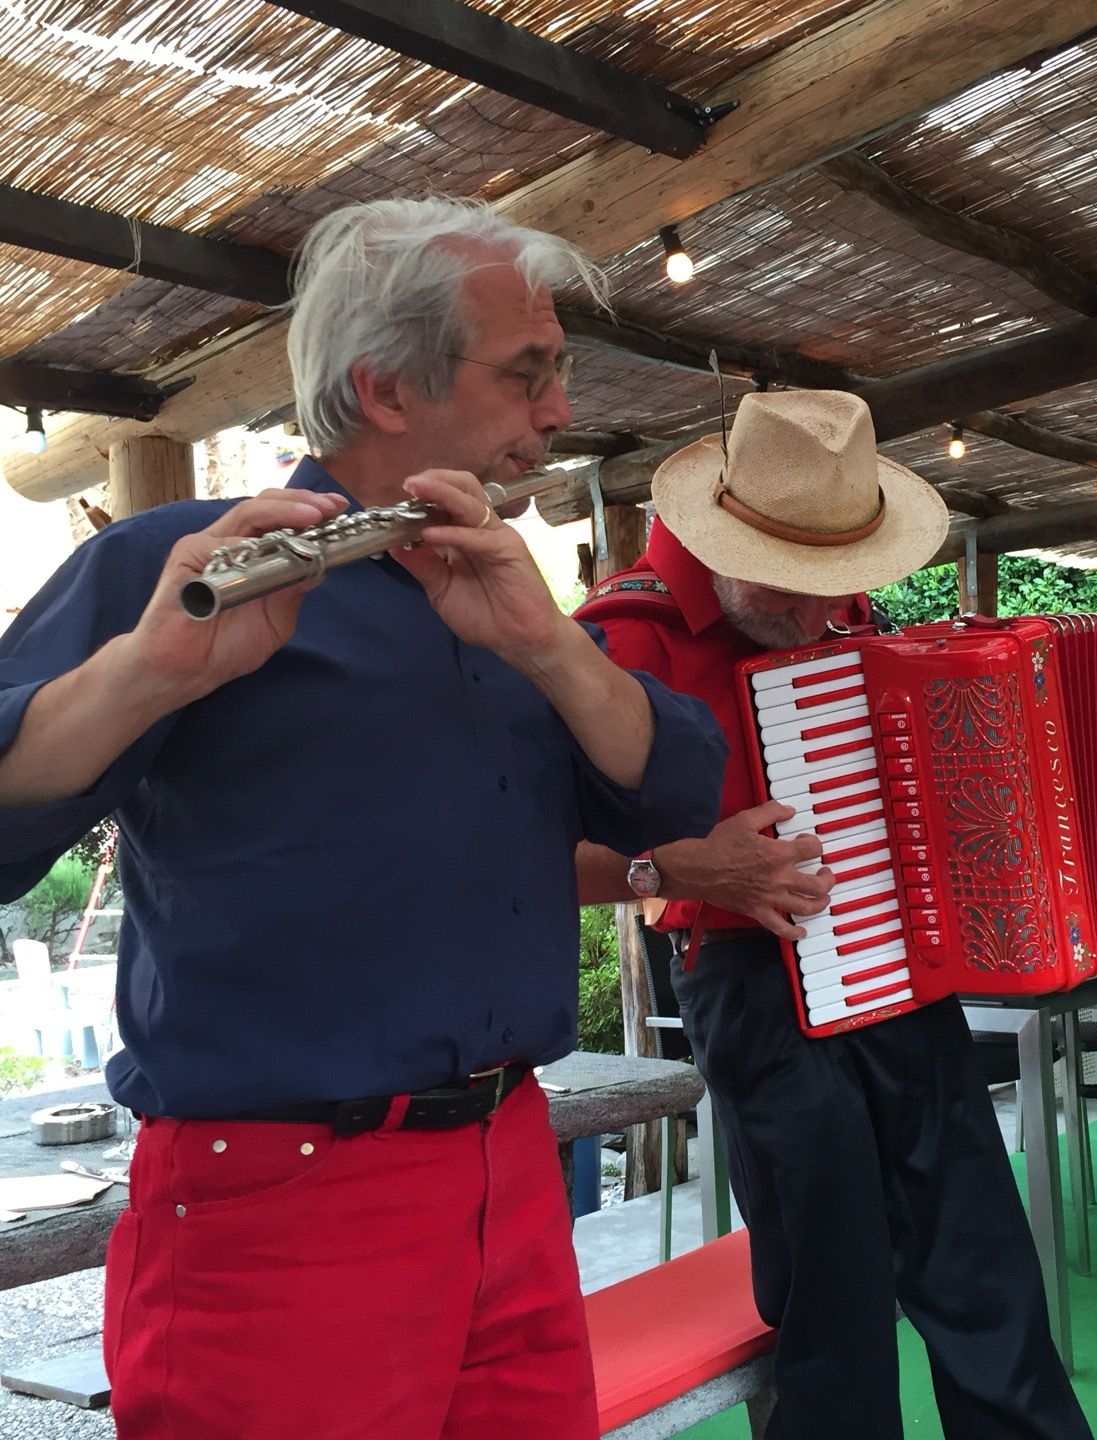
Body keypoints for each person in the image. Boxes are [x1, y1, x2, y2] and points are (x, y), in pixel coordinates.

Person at [0, 197, 727, 1440]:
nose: (557, 409)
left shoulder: (501, 587)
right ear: (388, 389)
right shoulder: (177, 563)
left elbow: (674, 793)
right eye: (527, 373)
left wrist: (549, 644)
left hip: (512, 1165)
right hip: (280, 1207)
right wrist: (149, 674)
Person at [575, 388, 1097, 1440]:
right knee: (835, 1308)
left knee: (986, 1271)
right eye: (801, 587)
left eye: (843, 584)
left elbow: (945, 792)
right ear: (727, 538)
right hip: (751, 986)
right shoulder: (619, 639)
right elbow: (545, 854)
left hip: (904, 974)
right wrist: (687, 867)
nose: (828, 613)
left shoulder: (849, 617)